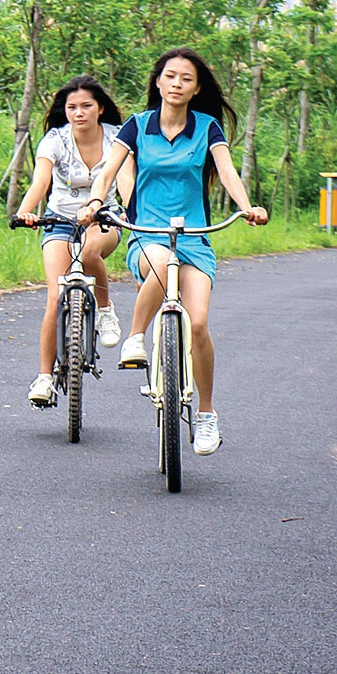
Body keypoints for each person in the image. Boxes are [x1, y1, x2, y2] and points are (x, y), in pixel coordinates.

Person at [79, 47, 268, 457]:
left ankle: (206, 414)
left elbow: (227, 171)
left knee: (198, 324)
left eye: (186, 79)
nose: (177, 84)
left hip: (195, 238)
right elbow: (108, 172)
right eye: (170, 76)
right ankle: (135, 337)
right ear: (158, 81)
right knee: (164, 262)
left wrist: (246, 206)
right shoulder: (137, 125)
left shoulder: (207, 128)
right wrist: (95, 202)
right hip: (146, 234)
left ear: (196, 88)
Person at [11, 75, 133, 408]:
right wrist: (25, 212)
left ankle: (105, 311)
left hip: (104, 218)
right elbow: (40, 182)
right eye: (72, 107)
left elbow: (125, 180)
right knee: (55, 295)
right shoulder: (55, 140)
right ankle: (44, 377)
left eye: (86, 106)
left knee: (91, 252)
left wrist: (132, 209)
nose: (78, 113)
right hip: (59, 220)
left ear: (100, 108)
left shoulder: (118, 138)